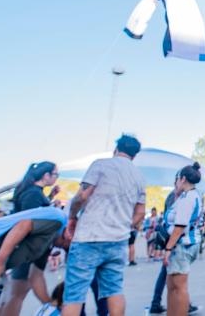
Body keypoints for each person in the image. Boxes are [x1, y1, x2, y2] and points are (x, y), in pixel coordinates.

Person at [61, 134, 146, 316]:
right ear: (134, 155)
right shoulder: (139, 176)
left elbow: (82, 196)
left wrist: (72, 217)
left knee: (74, 294)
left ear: (116, 149)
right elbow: (140, 213)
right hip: (118, 241)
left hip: (89, 238)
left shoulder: (100, 165)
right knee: (114, 290)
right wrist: (125, 225)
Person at [0, 206, 67, 314]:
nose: (64, 249)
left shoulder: (50, 242)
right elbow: (23, 225)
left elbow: (36, 277)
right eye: (68, 248)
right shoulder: (58, 219)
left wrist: (52, 305)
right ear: (70, 232)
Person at [1, 161, 60, 316]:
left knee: (17, 294)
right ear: (46, 175)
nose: (57, 177)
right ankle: (53, 307)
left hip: (27, 249)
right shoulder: (33, 194)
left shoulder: (33, 192)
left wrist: (50, 198)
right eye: (56, 174)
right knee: (17, 295)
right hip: (27, 249)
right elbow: (28, 221)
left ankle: (52, 306)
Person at [163, 162, 203, 316]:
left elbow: (179, 226)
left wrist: (168, 248)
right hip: (186, 244)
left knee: (179, 288)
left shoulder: (188, 198)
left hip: (182, 245)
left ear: (183, 179)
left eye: (177, 179)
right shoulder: (193, 195)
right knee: (173, 286)